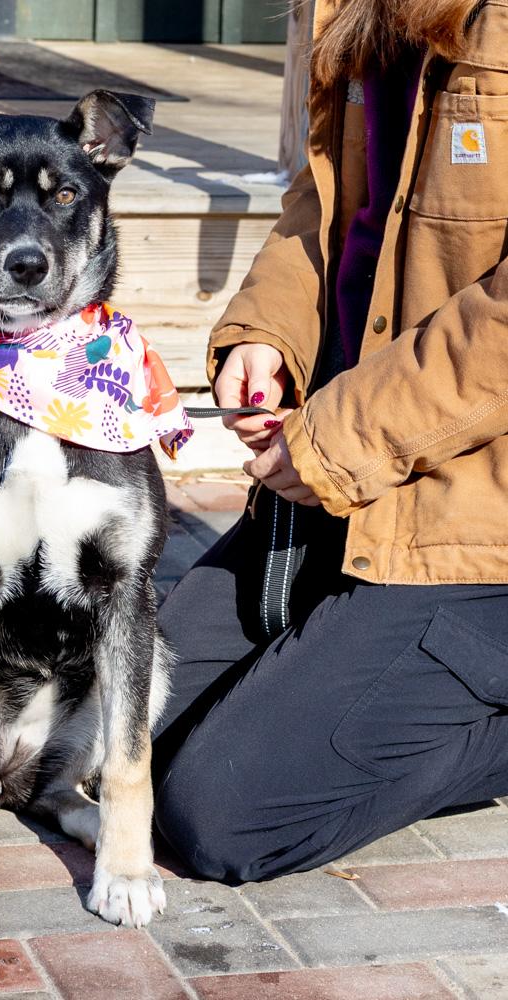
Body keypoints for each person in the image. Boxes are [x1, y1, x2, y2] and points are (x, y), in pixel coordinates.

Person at [152, 0, 508, 883]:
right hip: (357, 489)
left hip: (475, 519)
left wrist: (336, 441)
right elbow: (326, 208)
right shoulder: (357, 6)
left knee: (223, 817)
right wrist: (266, 337)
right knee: (123, 735)